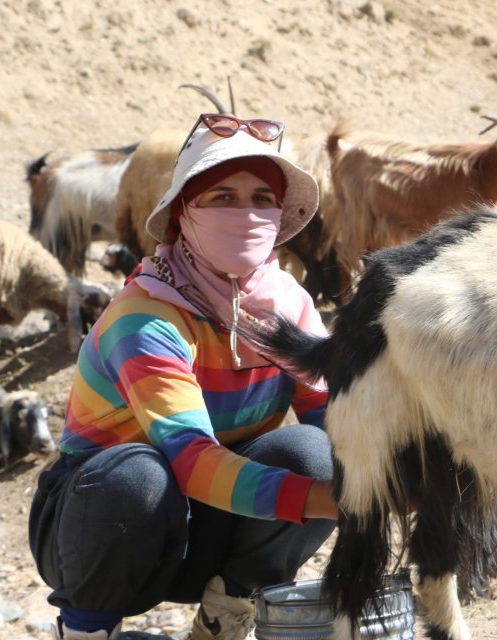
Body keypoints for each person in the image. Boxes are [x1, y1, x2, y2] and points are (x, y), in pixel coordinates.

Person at [28, 112, 338, 640]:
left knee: (319, 452)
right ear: (182, 217)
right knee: (138, 473)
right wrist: (330, 502)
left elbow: (336, 417)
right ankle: (87, 629)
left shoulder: (289, 305)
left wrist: (394, 477)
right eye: (223, 197)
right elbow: (191, 461)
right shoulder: (146, 317)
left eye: (263, 198)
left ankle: (224, 618)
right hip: (102, 524)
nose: (246, 212)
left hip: (214, 519)